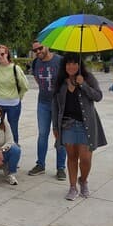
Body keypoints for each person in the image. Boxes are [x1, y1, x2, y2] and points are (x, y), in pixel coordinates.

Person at [52, 53, 107, 200]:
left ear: (79, 65)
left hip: (86, 125)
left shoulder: (88, 78)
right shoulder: (60, 82)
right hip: (67, 125)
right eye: (68, 63)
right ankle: (72, 187)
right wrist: (55, 128)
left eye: (74, 63)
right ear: (64, 66)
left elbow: (98, 96)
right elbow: (55, 106)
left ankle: (83, 180)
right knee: (71, 157)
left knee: (86, 158)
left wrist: (83, 85)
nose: (71, 66)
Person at [28, 41, 66, 180]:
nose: (38, 52)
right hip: (43, 103)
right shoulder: (35, 63)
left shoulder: (60, 61)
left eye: (40, 48)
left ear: (47, 46)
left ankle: (61, 167)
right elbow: (38, 80)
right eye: (35, 50)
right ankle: (40, 165)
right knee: (42, 134)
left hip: (59, 104)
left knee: (60, 135)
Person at [0, 44, 28, 143]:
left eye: (2, 54)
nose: (0, 57)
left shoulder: (15, 68)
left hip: (13, 104)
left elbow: (25, 86)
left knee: (12, 128)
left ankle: (14, 149)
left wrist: (19, 97)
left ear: (7, 54)